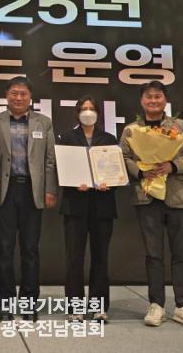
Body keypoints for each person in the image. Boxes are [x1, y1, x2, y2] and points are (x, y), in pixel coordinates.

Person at [119, 80, 183, 330]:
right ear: (141, 101)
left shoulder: (181, 127)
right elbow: (122, 156)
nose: (153, 101)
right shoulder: (132, 130)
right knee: (153, 255)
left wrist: (172, 165)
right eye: (149, 97)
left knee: (182, 254)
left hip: (179, 197)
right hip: (147, 196)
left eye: (158, 96)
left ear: (165, 100)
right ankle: (156, 304)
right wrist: (140, 170)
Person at [0, 76, 57, 322]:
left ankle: (28, 303)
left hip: (32, 192)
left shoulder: (43, 122)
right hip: (5, 190)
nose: (18, 98)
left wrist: (50, 190)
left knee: (30, 249)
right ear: (6, 96)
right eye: (14, 93)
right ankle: (4, 303)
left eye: (23, 94)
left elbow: (50, 160)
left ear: (30, 97)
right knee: (4, 249)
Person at [57, 95, 118, 323]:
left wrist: (109, 182)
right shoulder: (67, 138)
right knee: (74, 258)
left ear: (98, 113)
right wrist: (73, 181)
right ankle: (74, 307)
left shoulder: (109, 139)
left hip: (103, 205)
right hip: (75, 204)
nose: (88, 112)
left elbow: (117, 170)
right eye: (84, 108)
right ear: (77, 113)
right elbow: (61, 169)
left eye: (92, 108)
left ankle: (98, 306)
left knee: (100, 257)